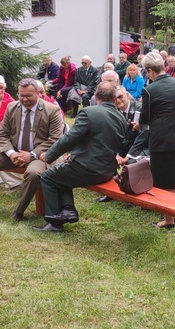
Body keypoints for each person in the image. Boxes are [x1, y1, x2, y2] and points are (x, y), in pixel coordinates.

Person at [32, 83, 127, 232]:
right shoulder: (120, 117)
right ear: (114, 99)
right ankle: (68, 210)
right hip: (108, 171)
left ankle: (54, 221)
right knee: (62, 172)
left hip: (88, 169)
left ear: (95, 96)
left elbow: (69, 138)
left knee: (47, 177)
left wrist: (49, 154)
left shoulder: (88, 112)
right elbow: (98, 140)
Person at [0, 78, 64, 220]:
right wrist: (11, 153)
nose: (24, 99)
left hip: (39, 154)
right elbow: (2, 134)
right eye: (21, 95)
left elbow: (55, 139)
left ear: (38, 93)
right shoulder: (12, 107)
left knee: (33, 173)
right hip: (15, 152)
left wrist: (30, 155)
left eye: (28, 96)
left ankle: (19, 211)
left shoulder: (52, 110)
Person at [140, 52, 175, 229]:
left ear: (149, 71)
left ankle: (169, 221)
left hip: (162, 141)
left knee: (165, 182)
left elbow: (145, 118)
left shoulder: (149, 90)